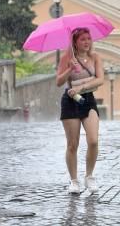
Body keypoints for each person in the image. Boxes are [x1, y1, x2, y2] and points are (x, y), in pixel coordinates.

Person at [56, 27, 104, 194]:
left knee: (93, 141)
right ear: (75, 42)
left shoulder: (95, 57)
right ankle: (74, 181)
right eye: (82, 39)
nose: (87, 42)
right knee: (73, 144)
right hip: (70, 102)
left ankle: (89, 176)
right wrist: (70, 68)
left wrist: (82, 86)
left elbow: (100, 79)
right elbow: (58, 81)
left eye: (88, 39)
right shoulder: (66, 58)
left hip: (88, 100)